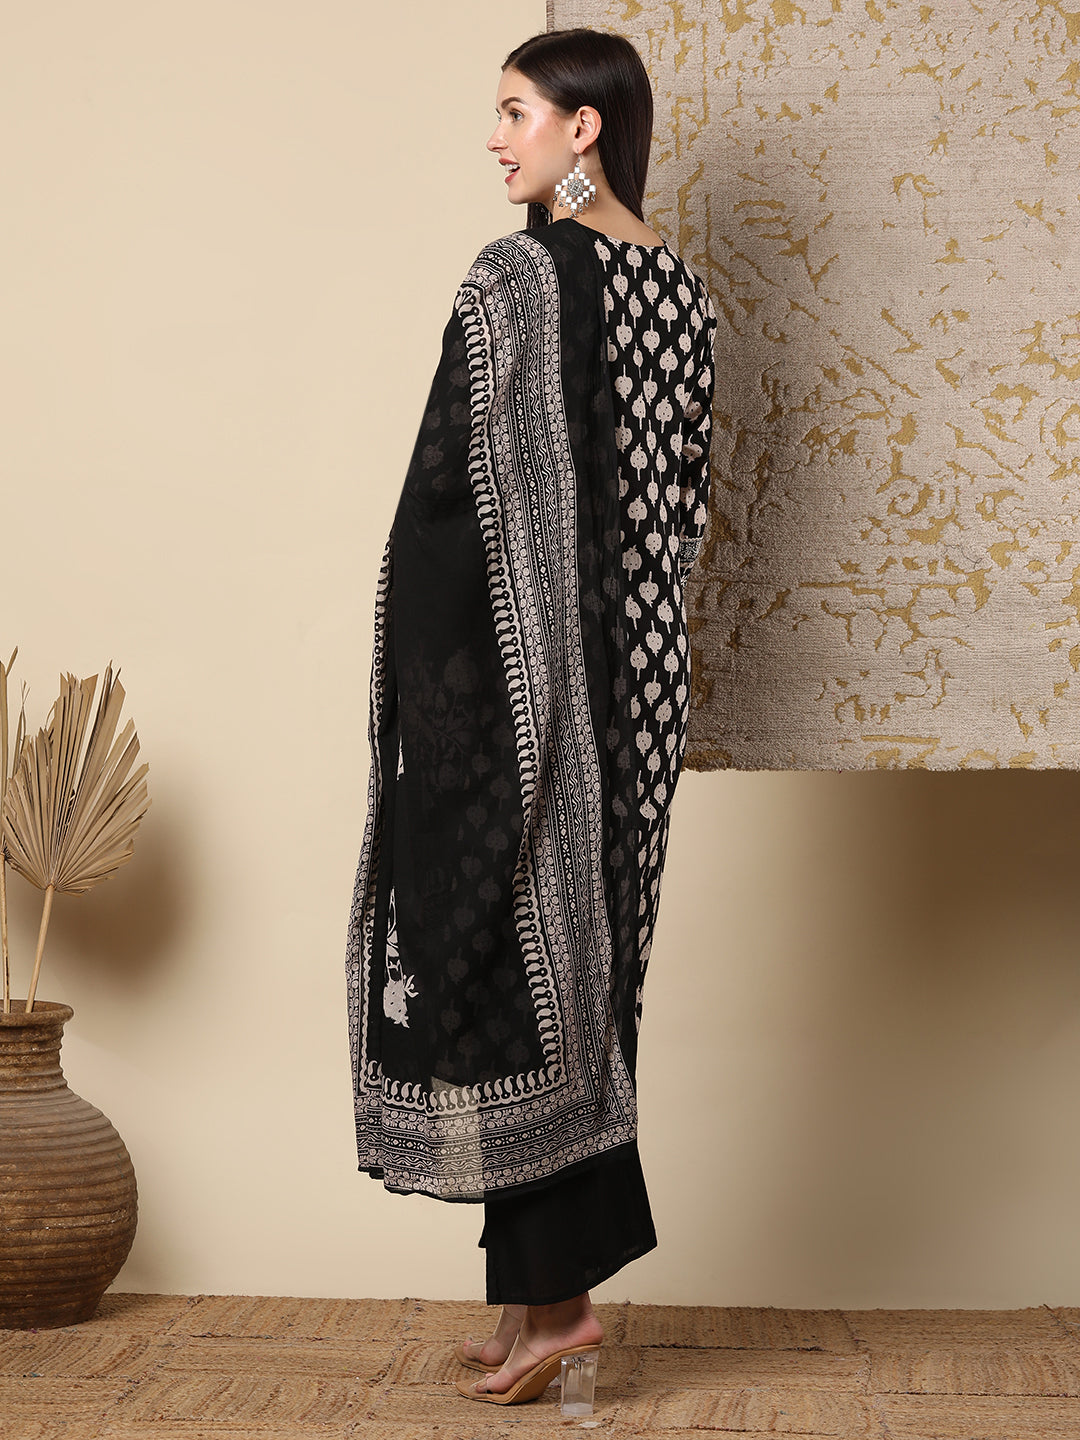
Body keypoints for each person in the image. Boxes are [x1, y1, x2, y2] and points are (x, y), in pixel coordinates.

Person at [344, 26, 716, 1407]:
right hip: (638, 683)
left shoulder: (516, 277)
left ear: (584, 130)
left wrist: (424, 674)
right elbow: (680, 507)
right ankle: (533, 1299)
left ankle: (559, 1310)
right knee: (588, 972)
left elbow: (446, 495)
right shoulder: (680, 290)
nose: (496, 139)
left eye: (516, 112)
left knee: (508, 960)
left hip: (516, 682)